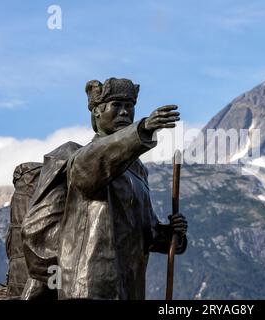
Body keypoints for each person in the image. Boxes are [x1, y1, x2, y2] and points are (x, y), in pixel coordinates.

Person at [56, 77, 188, 299]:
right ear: (97, 112)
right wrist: (143, 129)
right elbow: (91, 170)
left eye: (130, 107)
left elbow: (147, 232)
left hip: (129, 286)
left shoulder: (137, 170)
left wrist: (172, 233)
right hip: (90, 286)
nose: (125, 112)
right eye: (117, 105)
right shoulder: (85, 157)